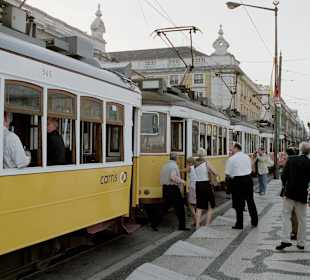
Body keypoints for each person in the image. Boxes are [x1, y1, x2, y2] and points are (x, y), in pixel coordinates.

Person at [276, 142, 310, 250]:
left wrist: (285, 186)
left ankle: (285, 240)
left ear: (300, 150)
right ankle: (301, 242)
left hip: (289, 193)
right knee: (302, 219)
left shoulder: (291, 159)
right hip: (302, 194)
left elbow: (284, 176)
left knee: (286, 216)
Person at [225, 142, 258, 229]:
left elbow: (227, 173)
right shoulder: (247, 157)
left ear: (236, 148)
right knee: (250, 201)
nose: (230, 150)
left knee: (238, 203)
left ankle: (239, 224)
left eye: (231, 148)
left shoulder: (232, 159)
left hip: (237, 181)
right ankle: (255, 221)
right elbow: (250, 168)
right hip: (248, 180)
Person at [160, 153, 189, 231]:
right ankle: (182, 226)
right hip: (173, 189)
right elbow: (173, 177)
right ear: (176, 158)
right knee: (180, 208)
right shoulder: (174, 166)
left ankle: (154, 223)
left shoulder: (164, 165)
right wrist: (182, 181)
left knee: (164, 208)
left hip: (165, 188)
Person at [195, 148, 218, 229]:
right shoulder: (206, 162)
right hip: (205, 184)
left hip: (197, 184)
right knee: (211, 205)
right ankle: (207, 225)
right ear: (204, 154)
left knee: (199, 206)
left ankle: (197, 226)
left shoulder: (195, 163)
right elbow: (216, 172)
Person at [186, 157, 197, 226]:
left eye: (187, 162)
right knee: (195, 204)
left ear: (190, 162)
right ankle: (195, 221)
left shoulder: (190, 167)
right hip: (197, 185)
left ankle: (196, 219)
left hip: (192, 186)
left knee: (190, 204)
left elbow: (182, 170)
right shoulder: (196, 168)